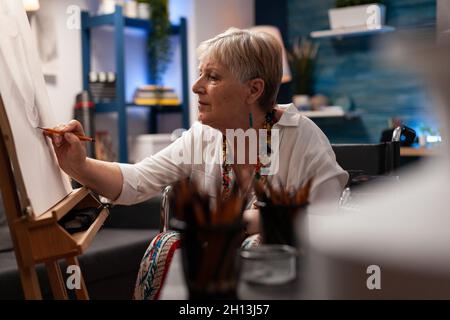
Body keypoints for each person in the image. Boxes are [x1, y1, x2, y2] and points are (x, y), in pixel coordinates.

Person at [49, 27, 348, 298]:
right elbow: (138, 179)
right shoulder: (204, 135)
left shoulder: (304, 139)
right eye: (200, 73)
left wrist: (254, 223)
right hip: (212, 281)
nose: (195, 86)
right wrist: (79, 165)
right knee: (164, 246)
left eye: (213, 77)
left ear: (254, 90)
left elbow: (331, 227)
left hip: (290, 286)